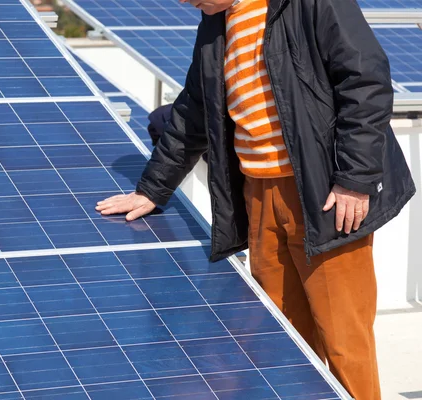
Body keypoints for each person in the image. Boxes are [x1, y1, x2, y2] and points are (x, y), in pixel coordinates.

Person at [96, 0, 416, 398]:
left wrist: (356, 178)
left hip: (326, 194)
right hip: (258, 196)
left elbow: (365, 80)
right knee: (283, 337)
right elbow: (194, 107)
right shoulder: (215, 21)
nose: (184, 1)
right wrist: (151, 189)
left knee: (342, 340)